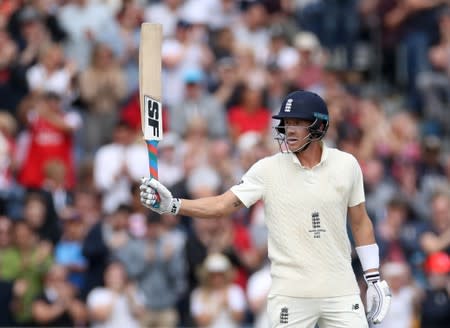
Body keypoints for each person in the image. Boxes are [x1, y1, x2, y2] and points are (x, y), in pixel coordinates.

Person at [140, 90, 392, 327]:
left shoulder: (346, 164)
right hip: (291, 293)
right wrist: (172, 205)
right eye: (287, 123)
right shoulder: (267, 169)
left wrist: (372, 278)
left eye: (298, 123)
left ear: (320, 126)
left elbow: (360, 222)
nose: (289, 130)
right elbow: (221, 205)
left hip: (340, 289)